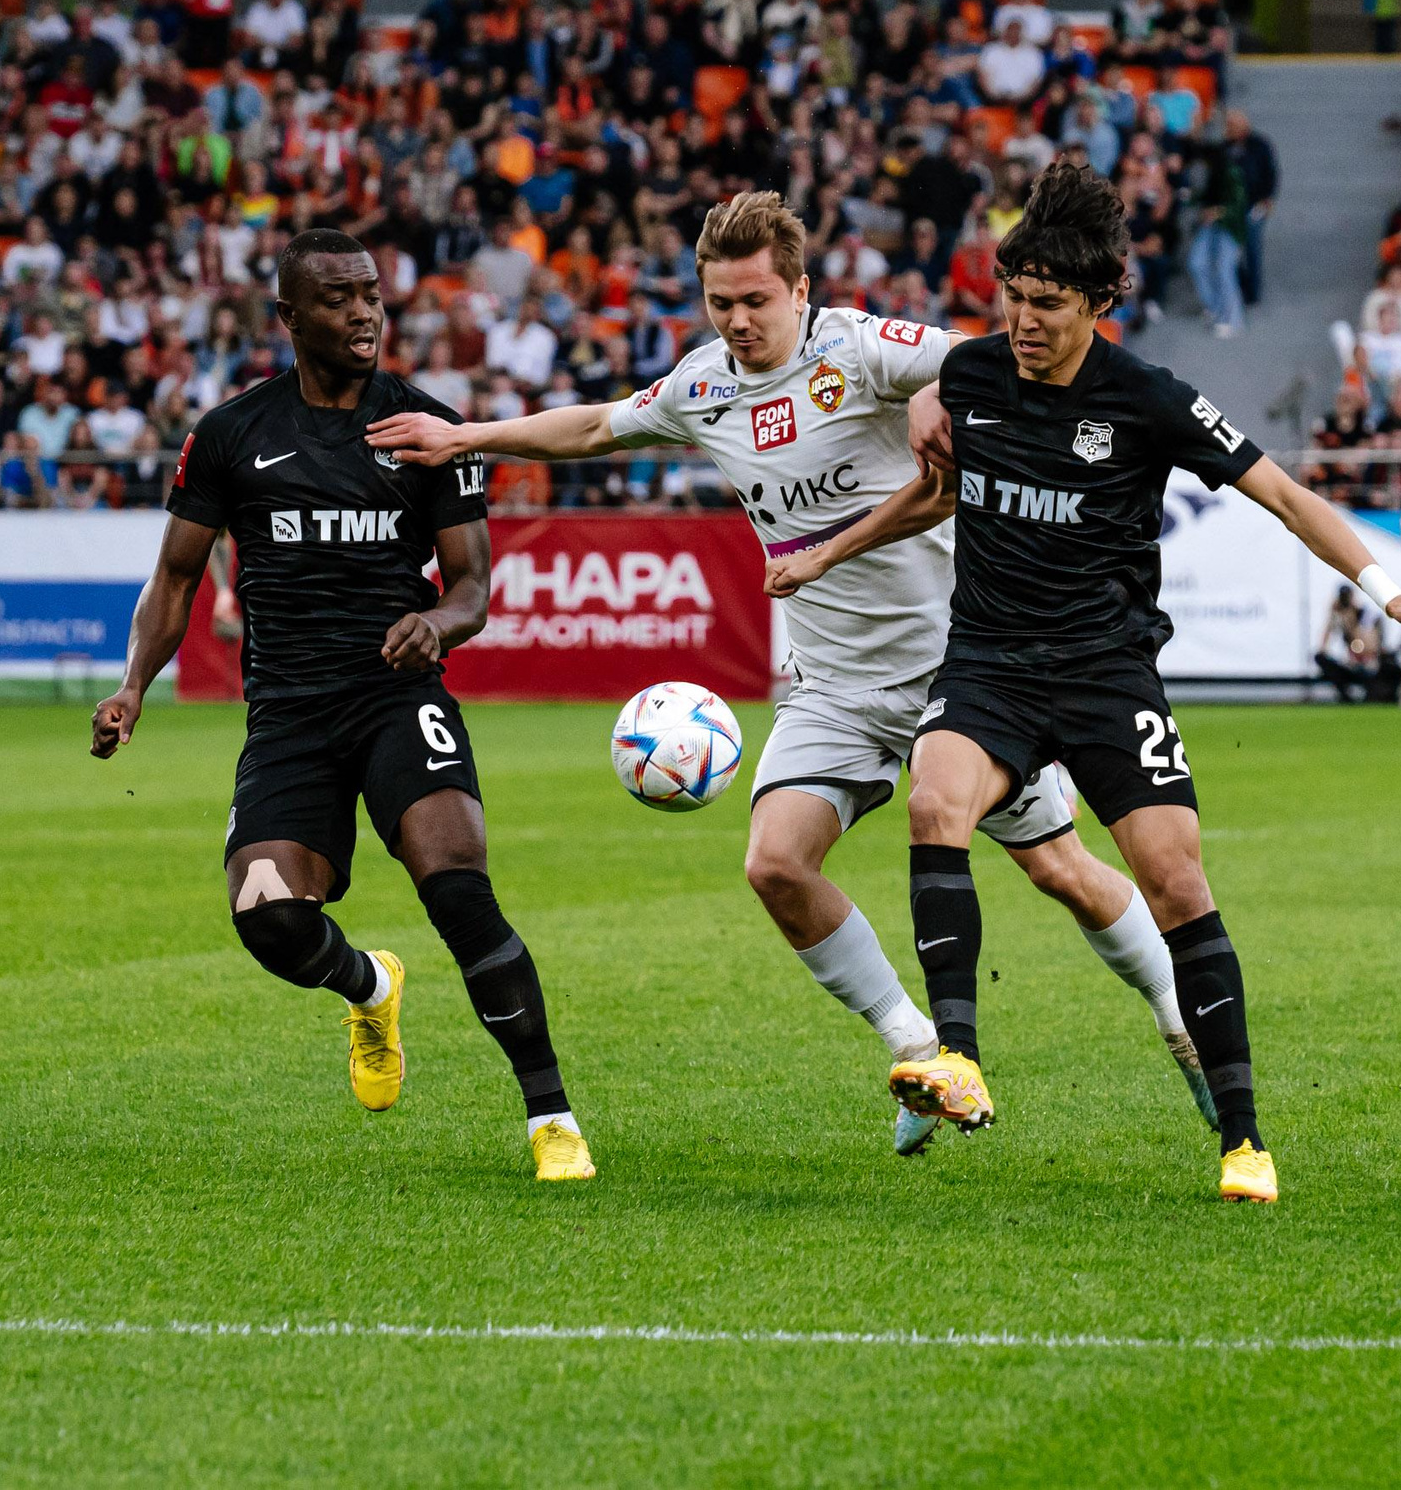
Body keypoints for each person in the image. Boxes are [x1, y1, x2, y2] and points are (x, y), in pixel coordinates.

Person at [366, 192, 1220, 1156]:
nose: (737, 320)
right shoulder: (702, 387)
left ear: (801, 290)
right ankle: (919, 1048)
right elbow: (599, 428)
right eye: (719, 301)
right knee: (774, 861)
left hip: (964, 668)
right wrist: (465, 437)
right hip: (831, 684)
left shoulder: (857, 349)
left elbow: (977, 356)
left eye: (756, 300)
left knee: (1056, 867)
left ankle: (1175, 1015)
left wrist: (942, 390)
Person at [768, 162, 1401, 1202]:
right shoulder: (969, 377)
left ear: (1099, 303)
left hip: (1106, 672)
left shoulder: (1149, 399)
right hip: (991, 663)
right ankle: (955, 1052)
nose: (1024, 322)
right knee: (934, 799)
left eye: (1048, 306)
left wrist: (1384, 588)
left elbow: (1281, 493)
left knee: (1175, 877)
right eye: (1013, 299)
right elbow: (935, 497)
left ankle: (1243, 1138)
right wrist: (829, 551)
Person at [89, 229, 594, 1183]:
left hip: (395, 696)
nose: (364, 312)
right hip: (287, 714)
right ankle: (369, 986)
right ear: (289, 316)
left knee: (456, 882)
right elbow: (176, 575)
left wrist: (437, 625)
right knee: (269, 917)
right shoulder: (233, 435)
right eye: (338, 298)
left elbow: (474, 586)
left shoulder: (428, 427)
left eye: (372, 293)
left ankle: (551, 1116)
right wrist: (132, 686)